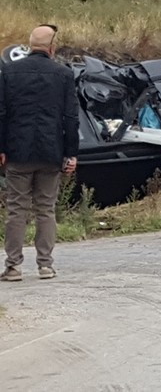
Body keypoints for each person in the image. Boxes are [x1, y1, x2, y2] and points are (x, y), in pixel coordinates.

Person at [0, 25, 79, 282]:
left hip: (17, 152)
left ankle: (13, 267)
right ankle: (45, 265)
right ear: (52, 48)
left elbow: (1, 114)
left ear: (29, 45)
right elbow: (70, 118)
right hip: (51, 151)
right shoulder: (64, 74)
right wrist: (71, 153)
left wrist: (1, 148)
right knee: (46, 208)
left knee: (16, 209)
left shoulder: (8, 72)